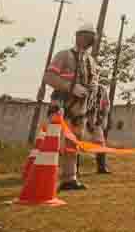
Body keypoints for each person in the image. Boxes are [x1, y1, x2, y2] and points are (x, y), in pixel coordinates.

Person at [43, 23, 99, 191]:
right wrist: (70, 87)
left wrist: (90, 95)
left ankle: (69, 178)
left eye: (91, 37)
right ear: (78, 36)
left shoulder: (91, 61)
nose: (88, 40)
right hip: (61, 105)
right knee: (53, 142)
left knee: (73, 144)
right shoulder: (64, 56)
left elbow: (94, 83)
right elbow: (49, 77)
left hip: (80, 110)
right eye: (86, 36)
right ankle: (45, 176)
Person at [87, 84, 112, 174]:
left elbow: (106, 104)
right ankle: (75, 169)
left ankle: (102, 167)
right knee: (76, 142)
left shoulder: (101, 89)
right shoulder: (83, 85)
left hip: (96, 119)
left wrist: (104, 117)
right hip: (81, 118)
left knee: (100, 143)